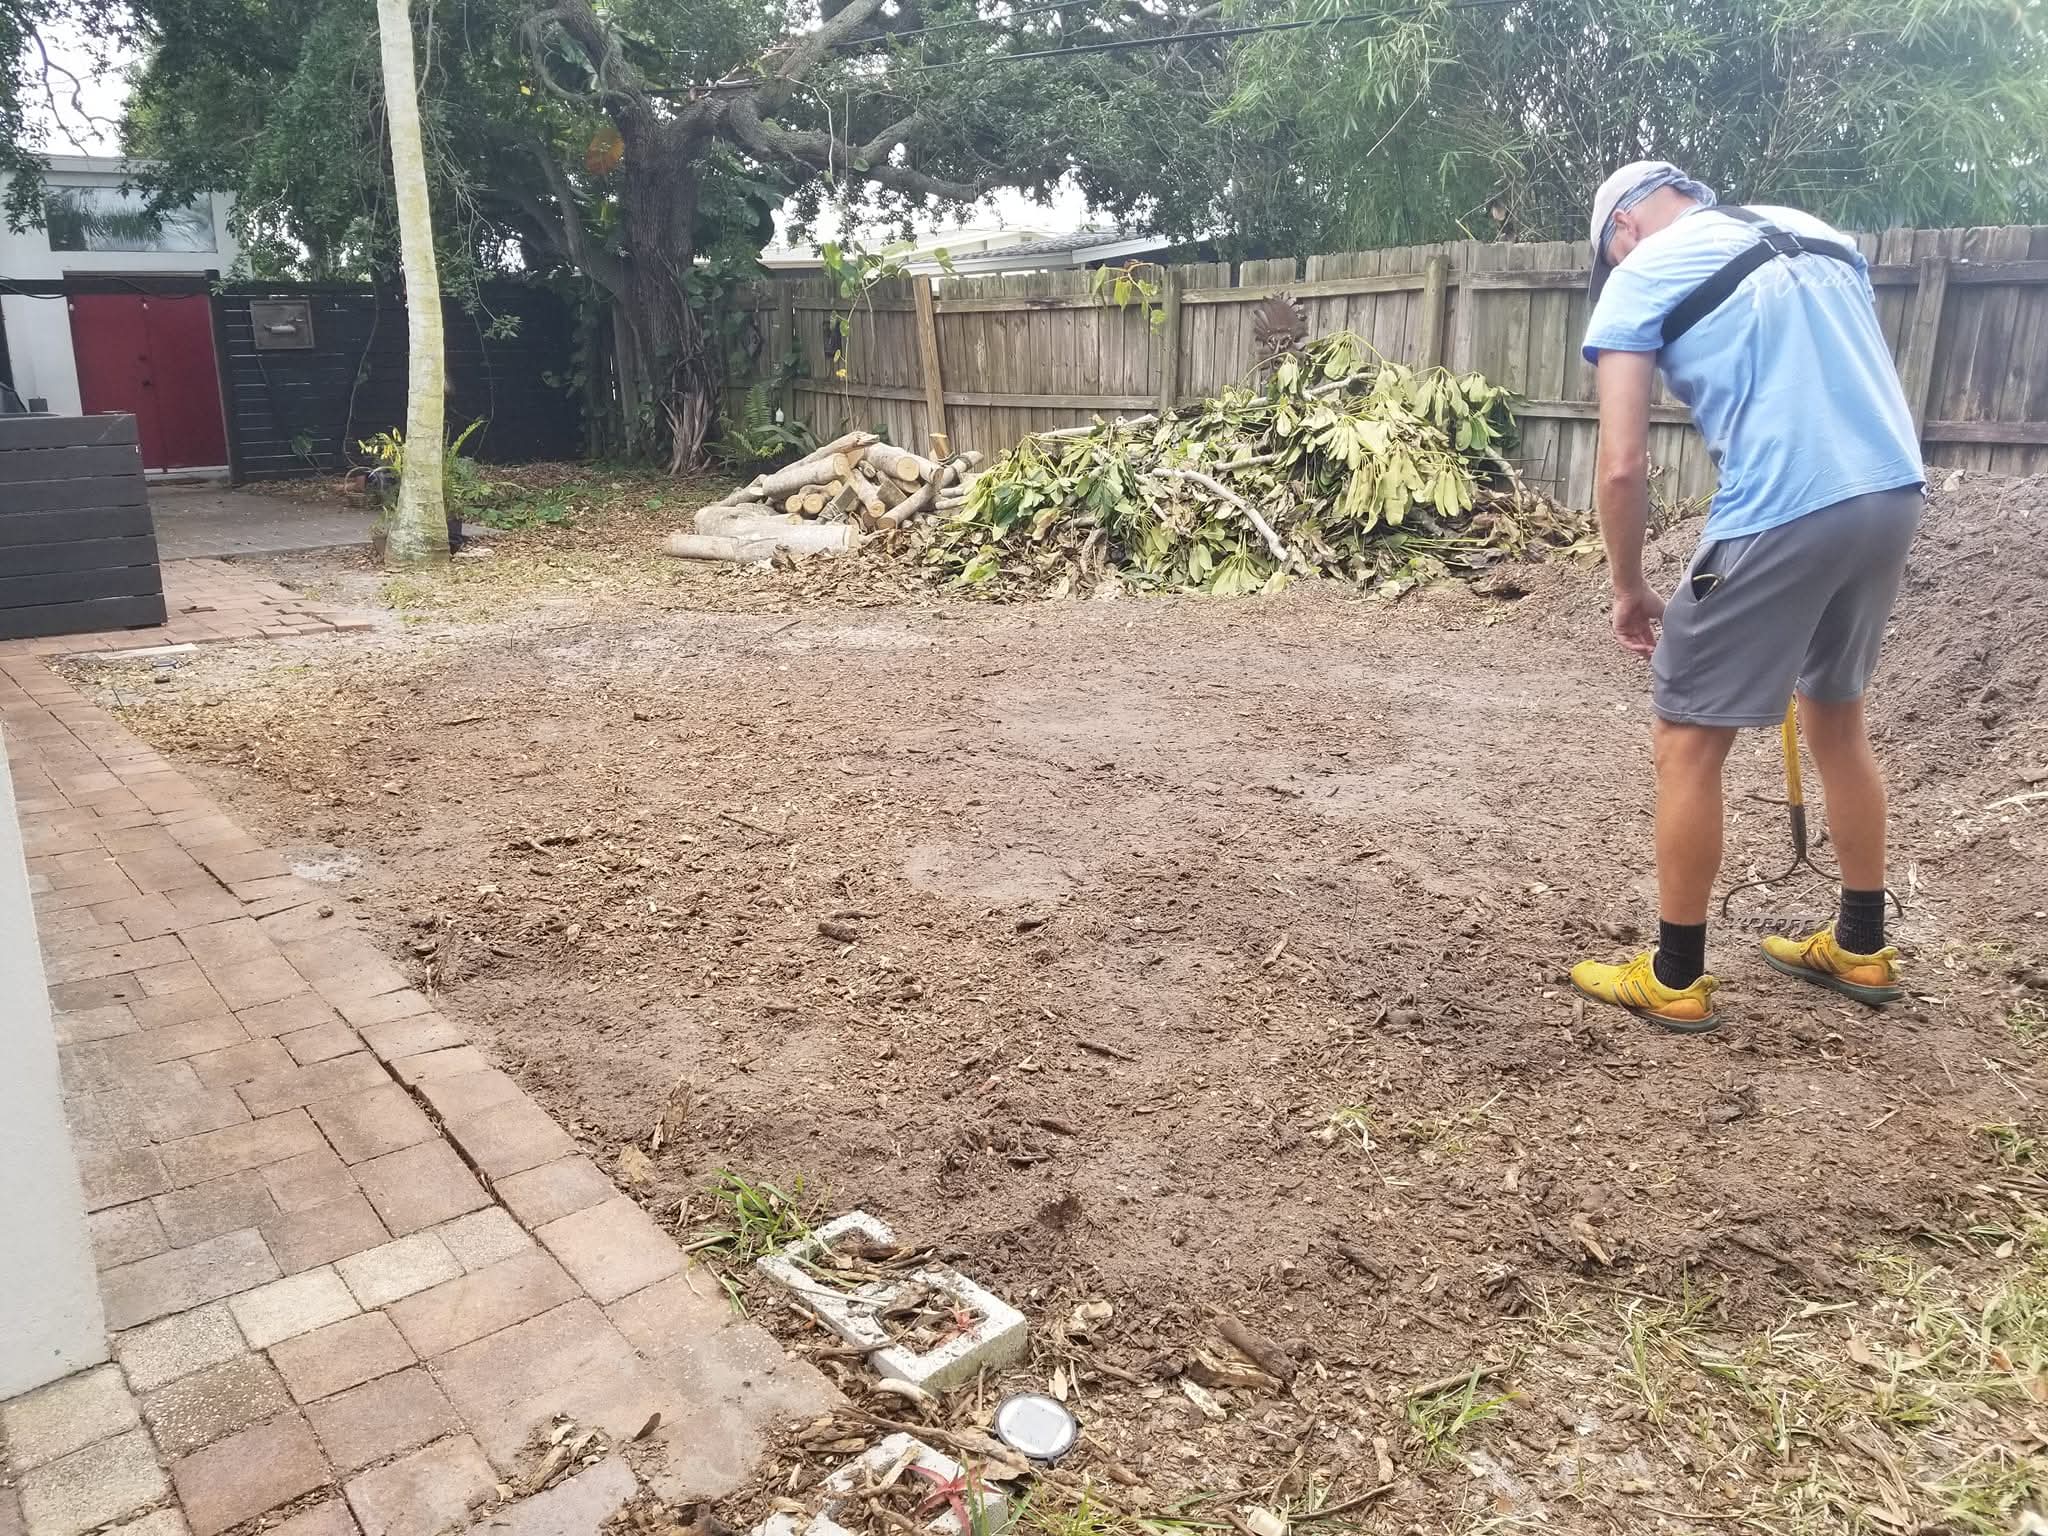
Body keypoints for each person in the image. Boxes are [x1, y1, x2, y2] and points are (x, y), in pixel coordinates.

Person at [1566, 162, 1925, 1031]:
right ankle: (1861, 945)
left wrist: (1628, 587)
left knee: (1686, 737)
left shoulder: (1643, 274)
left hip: (1779, 508)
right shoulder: (1821, 235)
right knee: (1837, 714)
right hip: (1891, 491)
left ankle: (1675, 973)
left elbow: (1620, 464)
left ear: (1622, 233)